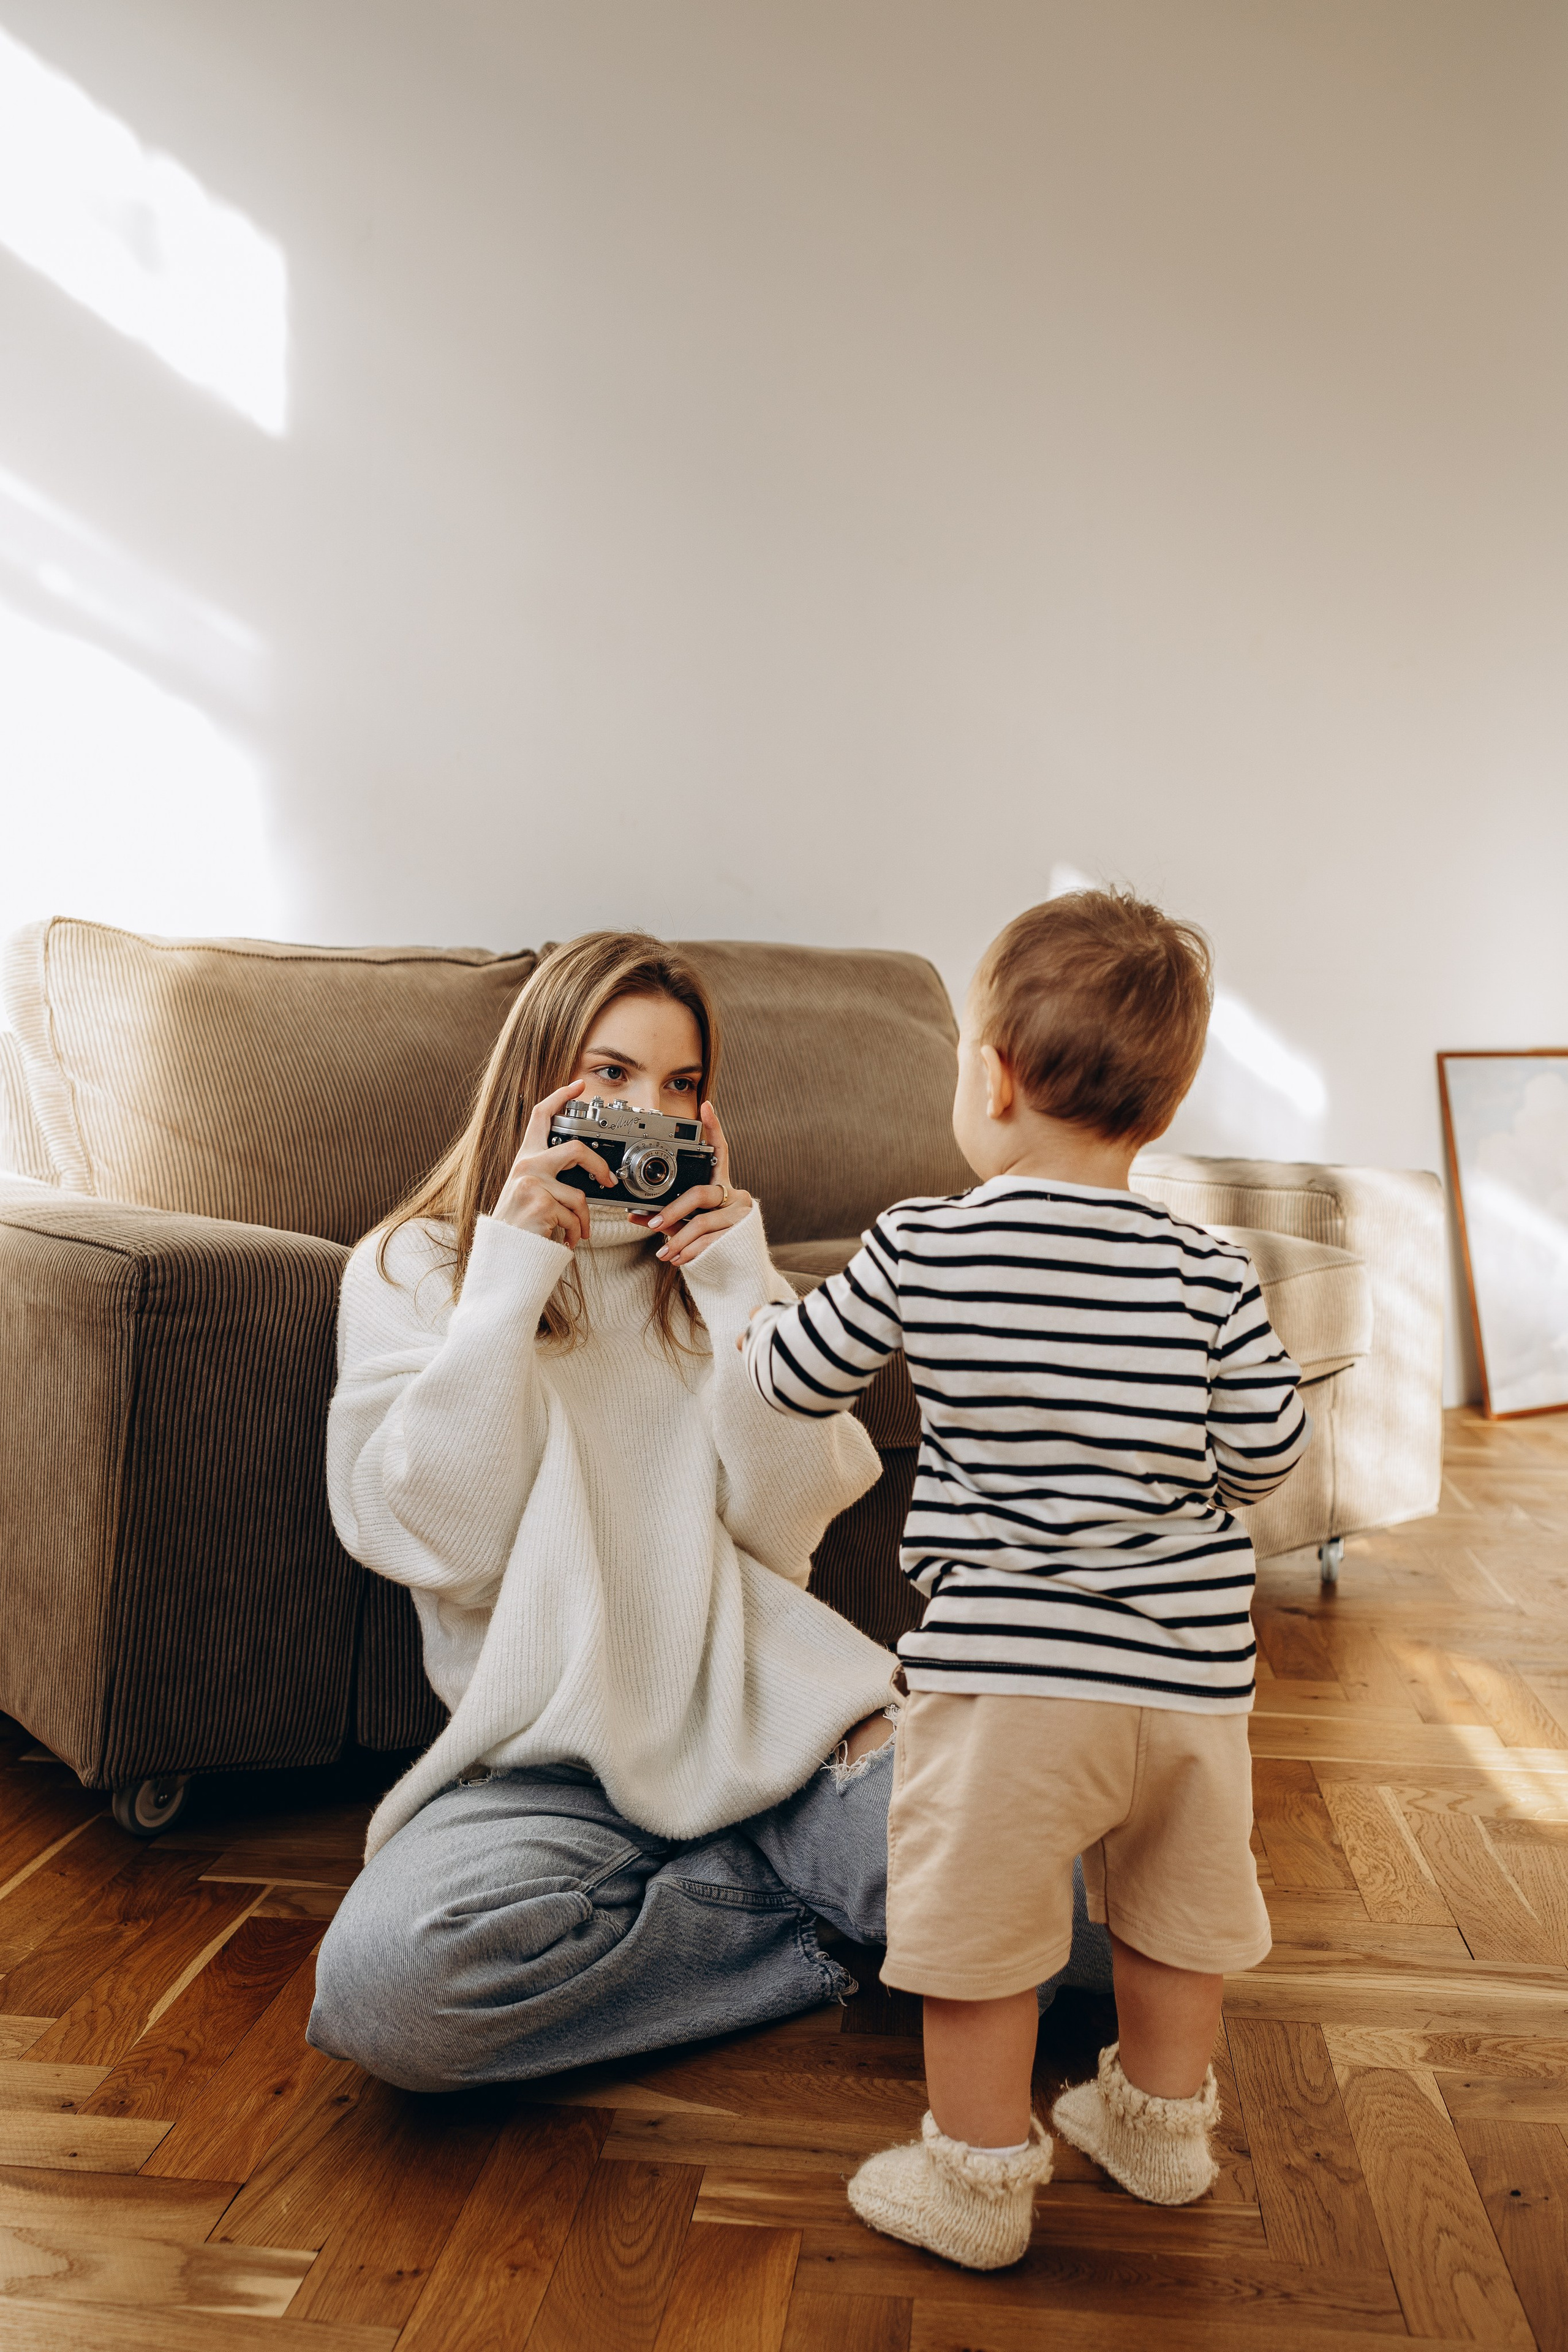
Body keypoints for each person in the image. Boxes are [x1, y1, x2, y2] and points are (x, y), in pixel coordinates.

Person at [308, 928, 1110, 2092]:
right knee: (392, 1993)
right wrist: (509, 1284)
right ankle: (826, 1920)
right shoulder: (416, 1266)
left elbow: (785, 1529)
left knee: (1084, 1914)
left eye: (682, 1085)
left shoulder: (716, 1271)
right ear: (539, 1079)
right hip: (549, 1769)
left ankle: (834, 1891)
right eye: (612, 1075)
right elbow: (446, 1543)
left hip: (789, 1732)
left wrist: (740, 1292)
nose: (650, 1114)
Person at [741, 889, 1311, 2270]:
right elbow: (1268, 1455)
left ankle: (979, 2188)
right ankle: (1160, 2136)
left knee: (980, 1934)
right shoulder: (1210, 1269)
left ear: (991, 1078)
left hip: (1009, 1683)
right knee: (1172, 1922)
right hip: (1188, 1683)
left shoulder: (926, 1240)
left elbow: (791, 1380)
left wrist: (746, 1306)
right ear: (1161, 1107)